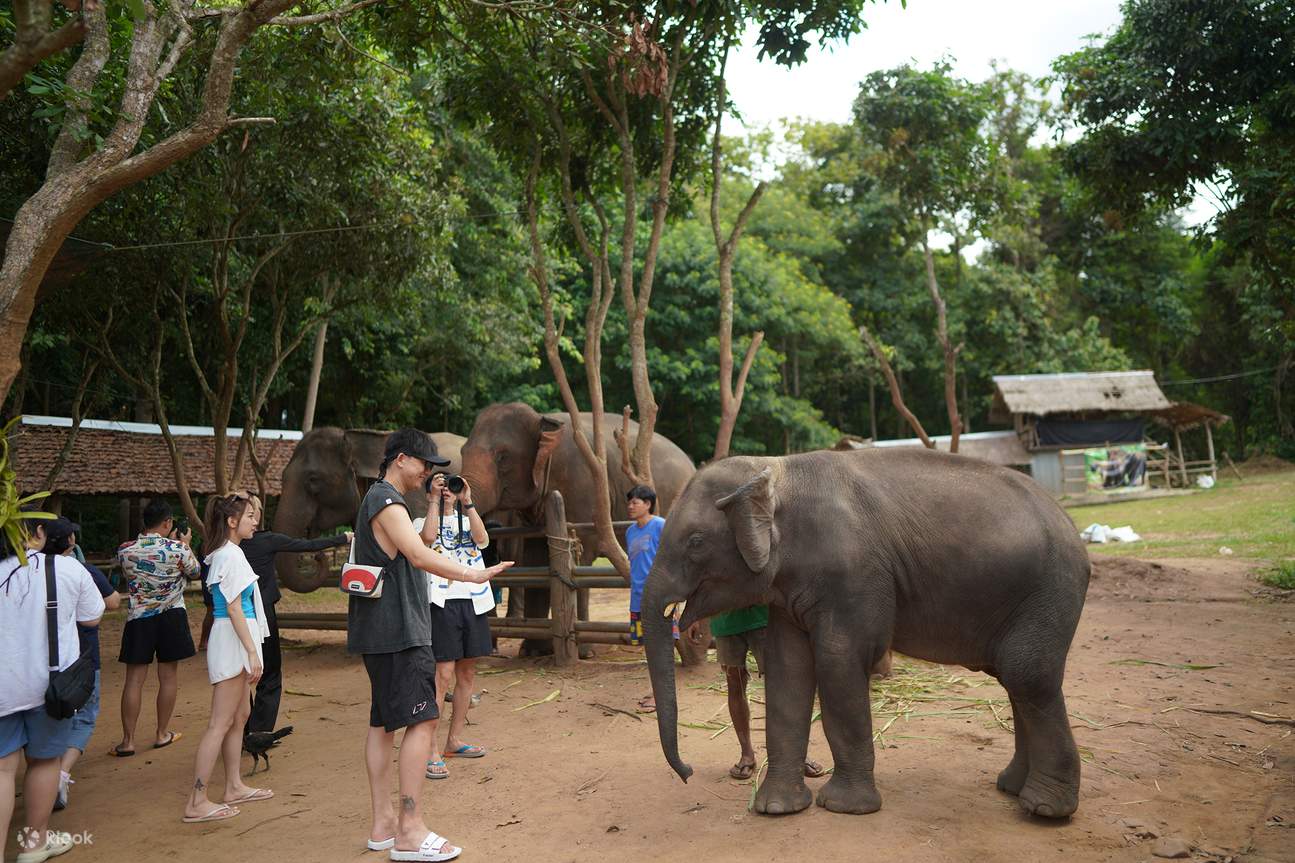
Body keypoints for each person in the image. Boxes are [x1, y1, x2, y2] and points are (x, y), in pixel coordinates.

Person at [349, 429, 512, 861]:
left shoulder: (380, 500)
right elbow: (422, 557)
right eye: (425, 465)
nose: (427, 474)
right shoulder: (387, 500)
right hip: (400, 630)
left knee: (383, 726)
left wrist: (438, 505)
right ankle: (410, 830)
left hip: (380, 630)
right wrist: (474, 575)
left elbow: (417, 544)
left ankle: (384, 825)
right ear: (402, 459)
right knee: (422, 723)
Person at [1, 513, 105, 862]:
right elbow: (92, 616)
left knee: (2, 769)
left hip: (2, 688)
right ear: (39, 532)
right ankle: (34, 843)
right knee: (44, 762)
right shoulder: (67, 569)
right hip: (50, 687)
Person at [182, 491, 271, 823]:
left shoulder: (229, 553)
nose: (255, 520)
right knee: (220, 723)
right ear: (232, 521)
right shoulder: (229, 556)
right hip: (234, 641)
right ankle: (197, 800)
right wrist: (251, 651)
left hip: (237, 638)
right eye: (249, 516)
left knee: (239, 716)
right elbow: (233, 607)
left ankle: (233, 785)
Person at [238, 495, 351, 736]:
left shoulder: (222, 548)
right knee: (269, 673)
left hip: (231, 618)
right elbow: (306, 546)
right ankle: (260, 731)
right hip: (261, 615)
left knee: (240, 674)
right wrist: (344, 538)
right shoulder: (265, 541)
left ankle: (242, 728)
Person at [415, 472, 493, 780]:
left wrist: (467, 501)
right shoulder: (420, 522)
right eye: (441, 485)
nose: (449, 490)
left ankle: (454, 740)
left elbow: (483, 540)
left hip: (473, 600)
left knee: (467, 672)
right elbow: (428, 539)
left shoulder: (467, 516)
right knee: (442, 674)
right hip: (441, 601)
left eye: (451, 486)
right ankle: (430, 748)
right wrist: (436, 501)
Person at [111, 499, 201, 756]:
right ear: (167, 522)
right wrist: (185, 544)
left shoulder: (125, 549)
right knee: (168, 677)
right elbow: (195, 572)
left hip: (139, 618)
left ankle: (128, 741)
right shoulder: (177, 549)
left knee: (134, 681)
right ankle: (162, 734)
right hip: (171, 617)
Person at [42, 518, 121, 812]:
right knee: (85, 716)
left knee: (47, 718)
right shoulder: (81, 569)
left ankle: (46, 774)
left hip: (42, 660)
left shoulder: (23, 571)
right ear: (71, 542)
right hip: (84, 658)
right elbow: (110, 605)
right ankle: (61, 774)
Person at [709, 606, 825, 781]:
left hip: (763, 618)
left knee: (781, 685)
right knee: (735, 683)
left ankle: (797, 754)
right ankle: (746, 753)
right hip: (725, 621)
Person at [625, 485, 671, 712]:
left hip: (659, 599)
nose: (630, 506)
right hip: (637, 599)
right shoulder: (630, 532)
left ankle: (661, 697)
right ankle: (657, 692)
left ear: (648, 504)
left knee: (661, 647)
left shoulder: (661, 526)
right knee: (649, 648)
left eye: (635, 502)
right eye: (630, 502)